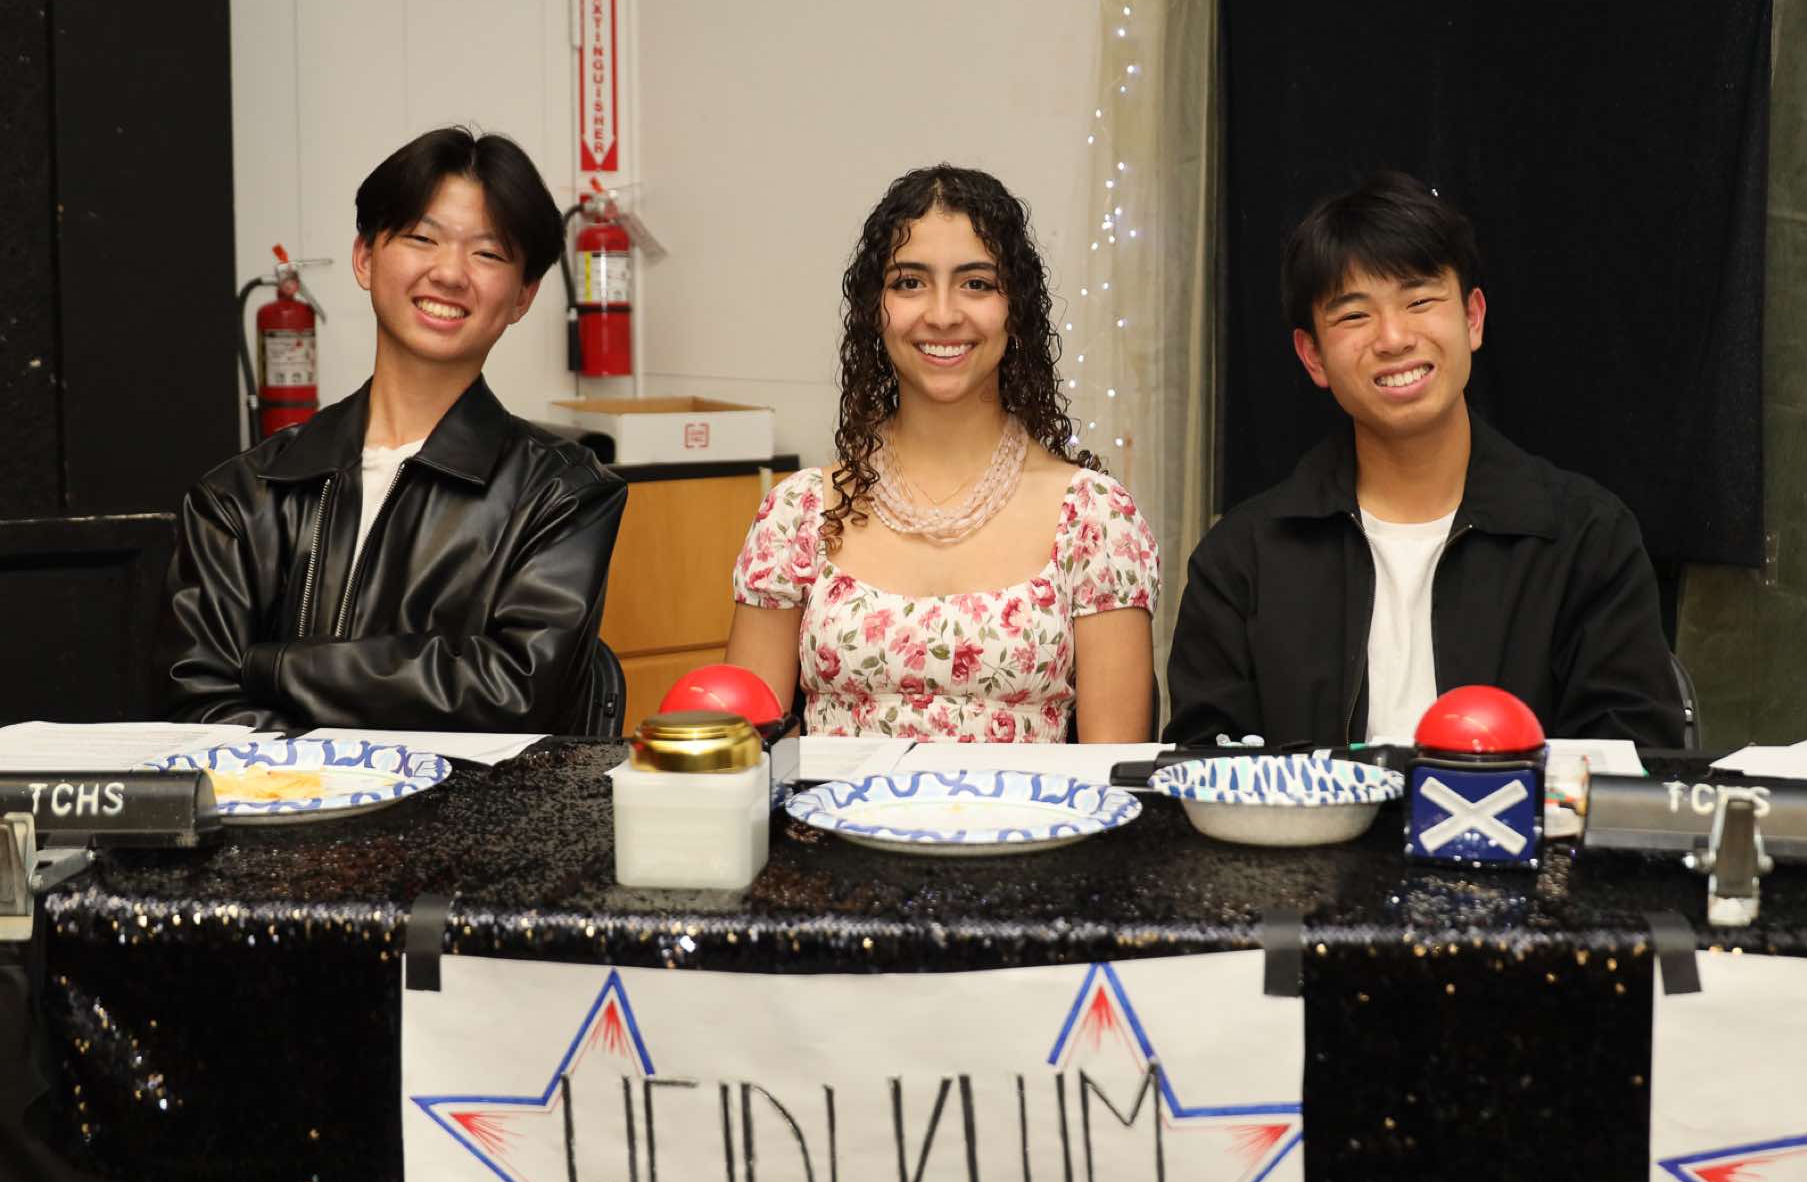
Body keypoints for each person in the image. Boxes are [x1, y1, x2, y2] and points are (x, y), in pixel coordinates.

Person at [1166, 172, 1683, 747]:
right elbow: (1202, 767)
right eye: (1354, 315)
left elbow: (1630, 759)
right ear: (1312, 356)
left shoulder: (1586, 538)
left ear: (1472, 318)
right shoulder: (1242, 561)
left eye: (1419, 301)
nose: (1393, 338)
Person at [158, 126, 627, 733]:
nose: (450, 273)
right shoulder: (242, 498)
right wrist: (337, 771)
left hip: (478, 802)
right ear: (365, 257)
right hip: (281, 799)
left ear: (523, 297)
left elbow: (516, 693)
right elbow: (195, 708)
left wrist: (272, 666)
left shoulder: (563, 494)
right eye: (422, 238)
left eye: (487, 254)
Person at [726, 165, 1159, 741]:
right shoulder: (796, 515)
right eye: (910, 282)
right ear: (874, 309)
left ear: (1016, 309)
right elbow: (745, 763)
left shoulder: (1095, 519)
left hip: (1033, 806)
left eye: (976, 283)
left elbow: (1112, 774)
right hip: (829, 805)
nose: (943, 314)